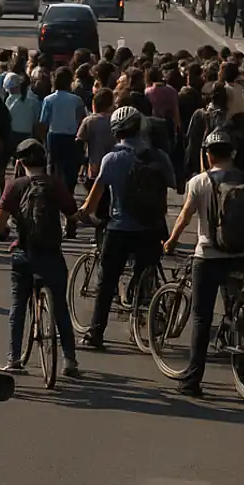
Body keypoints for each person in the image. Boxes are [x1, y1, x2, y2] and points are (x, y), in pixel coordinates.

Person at [165, 128, 244, 397]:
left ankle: (192, 380)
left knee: (202, 318)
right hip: (238, 256)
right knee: (235, 309)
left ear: (208, 155)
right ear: (232, 153)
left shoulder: (199, 182)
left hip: (208, 257)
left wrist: (172, 241)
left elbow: (185, 216)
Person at [77, 106, 175, 350]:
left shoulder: (112, 159)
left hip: (119, 229)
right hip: (151, 228)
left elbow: (93, 201)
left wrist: (81, 214)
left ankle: (95, 333)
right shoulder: (159, 157)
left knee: (107, 281)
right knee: (146, 275)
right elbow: (173, 184)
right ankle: (145, 322)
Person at [0, 139, 82, 378]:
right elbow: (73, 214)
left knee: (18, 306)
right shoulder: (55, 184)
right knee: (60, 306)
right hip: (51, 254)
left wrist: (4, 235)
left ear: (20, 163)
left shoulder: (14, 186)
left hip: (24, 253)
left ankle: (14, 359)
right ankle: (69, 360)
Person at [39, 66, 87, 194]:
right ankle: (68, 194)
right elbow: (82, 120)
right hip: (72, 137)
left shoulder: (48, 99)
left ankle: (53, 194)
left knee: (53, 168)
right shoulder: (77, 100)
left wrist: (43, 140)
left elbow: (43, 122)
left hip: (54, 136)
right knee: (70, 170)